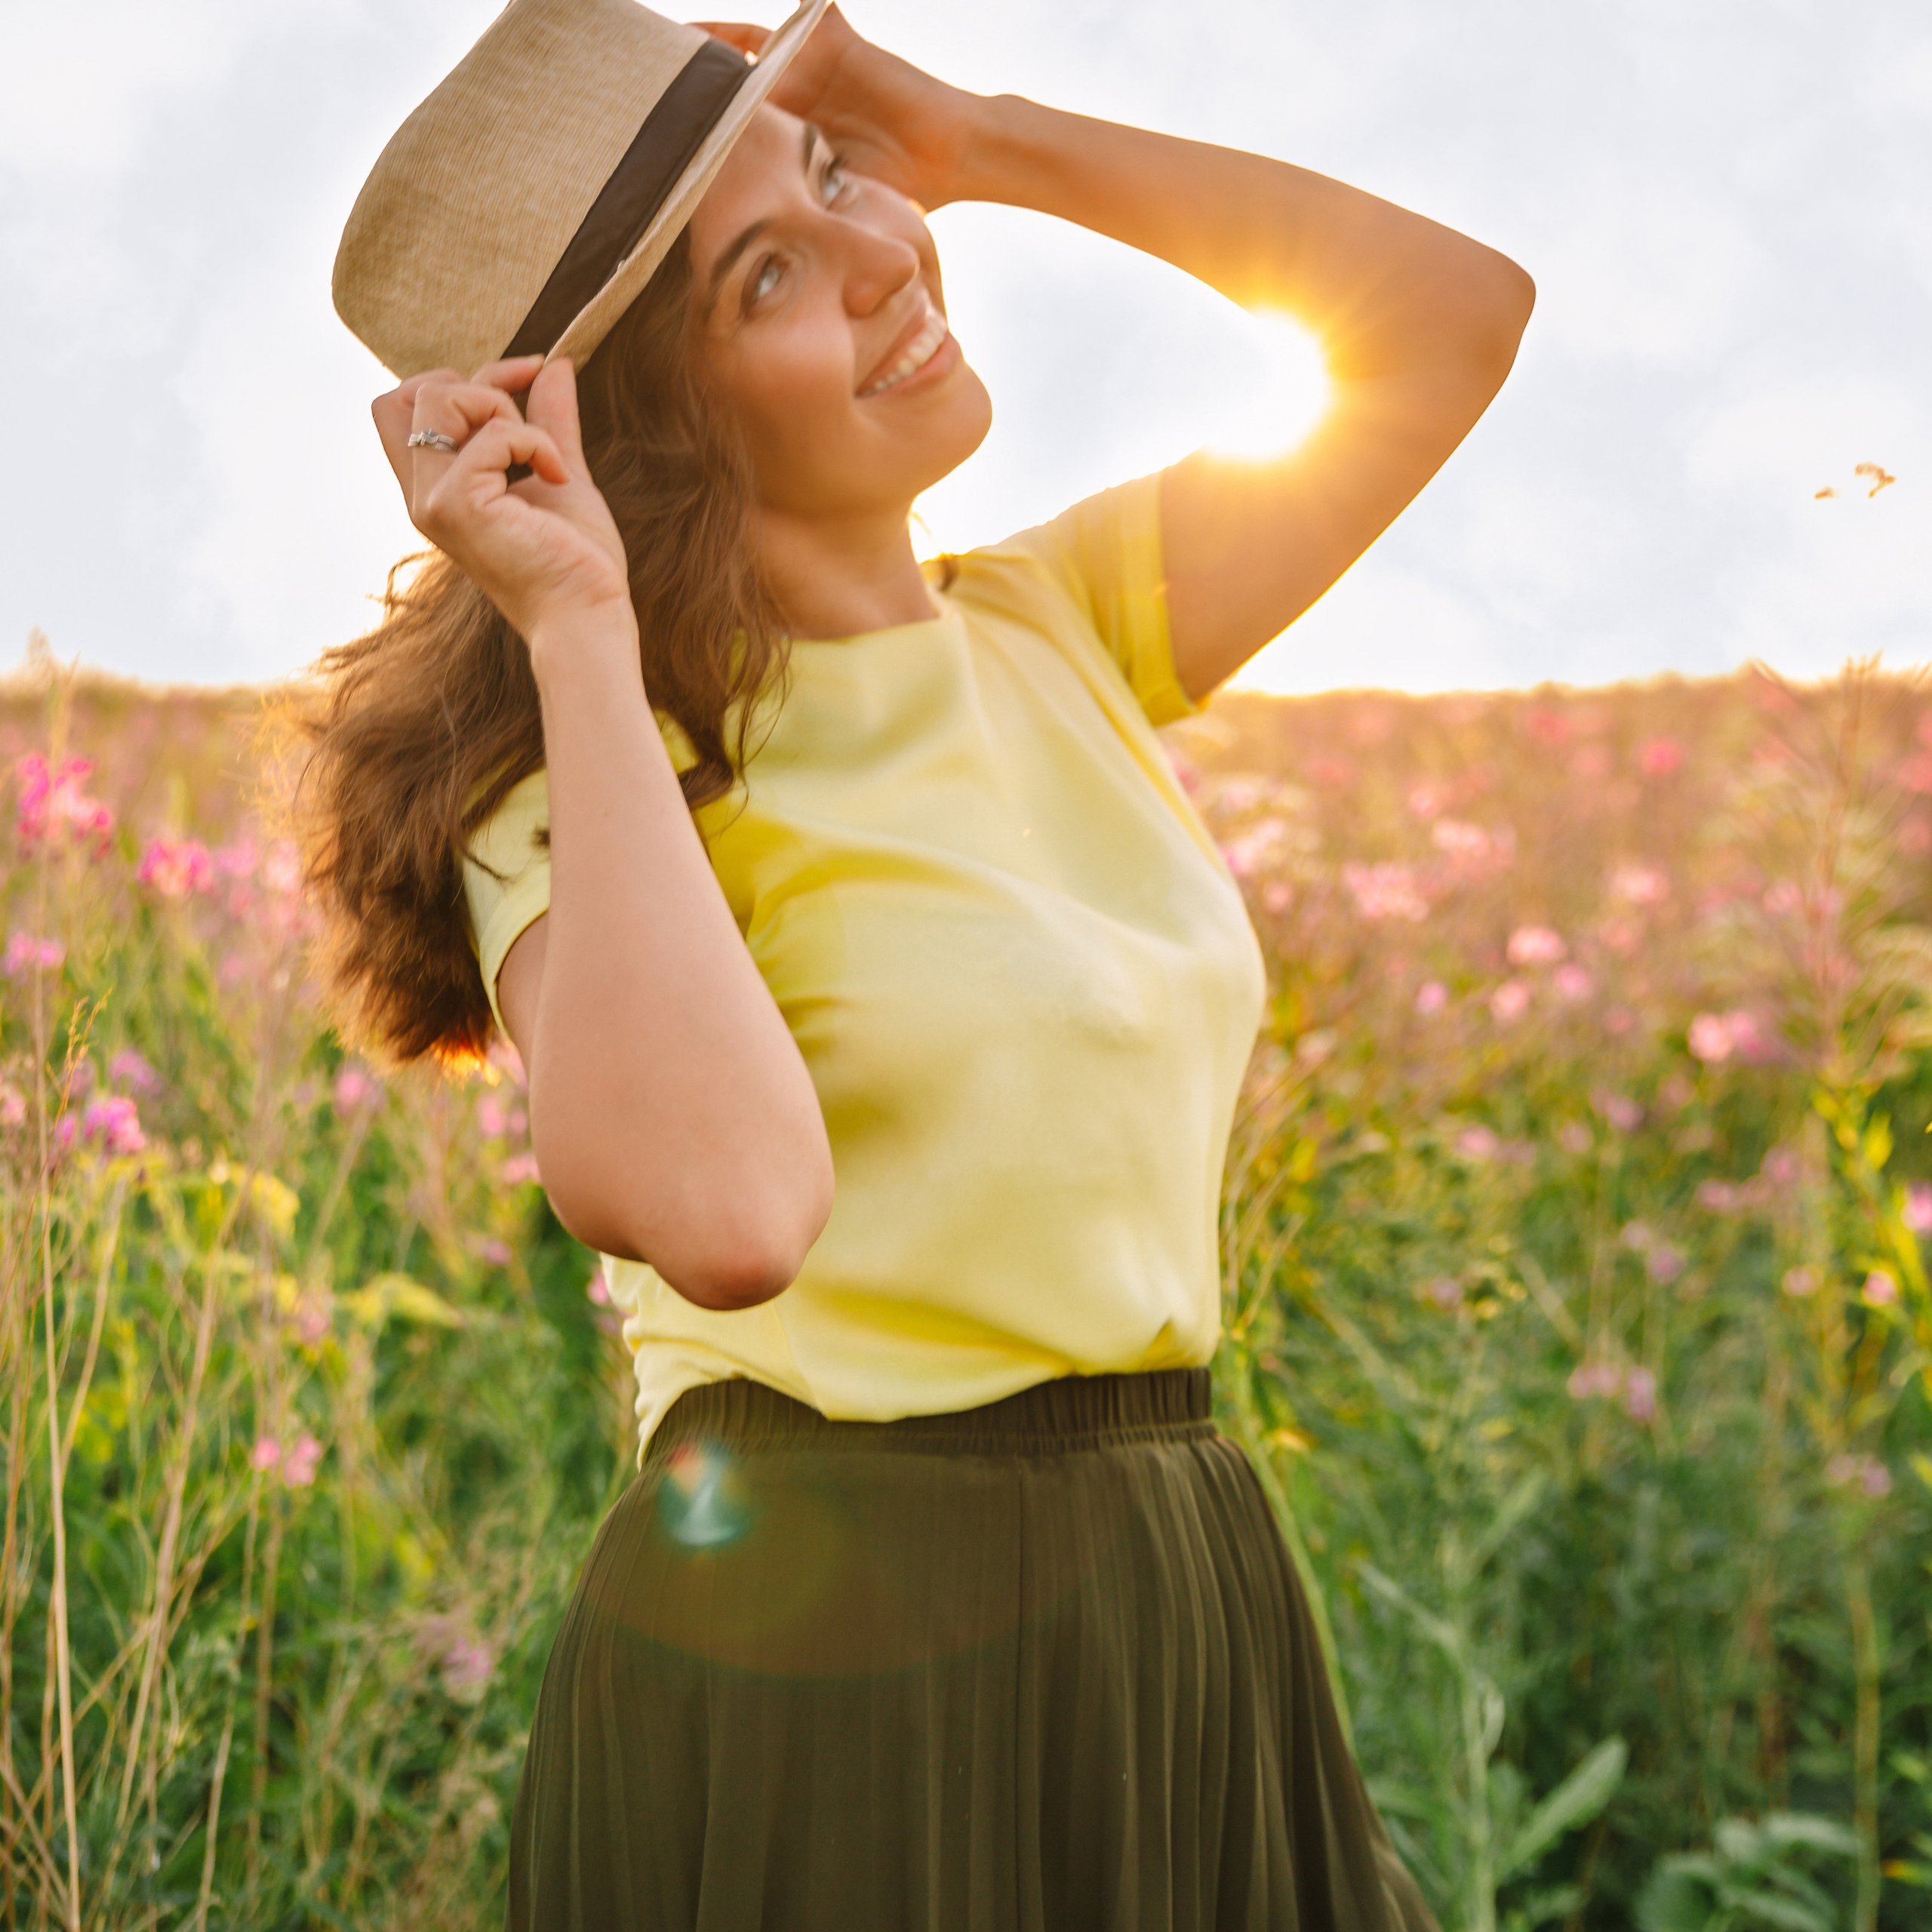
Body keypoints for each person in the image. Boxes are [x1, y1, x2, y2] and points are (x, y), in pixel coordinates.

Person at [306, 0, 1533, 1924]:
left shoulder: (1060, 621)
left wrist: (984, 134)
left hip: (1178, 1585)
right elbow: (722, 1213)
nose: (884, 255)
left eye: (828, 177)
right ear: (649, 430)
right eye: (770, 276)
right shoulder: (588, 777)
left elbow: (1448, 318)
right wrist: (575, 624)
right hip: (825, 1656)